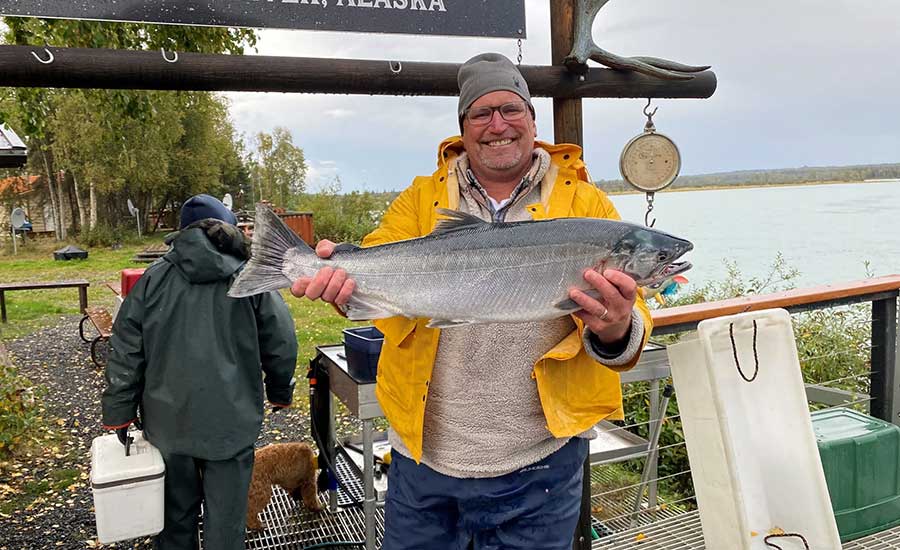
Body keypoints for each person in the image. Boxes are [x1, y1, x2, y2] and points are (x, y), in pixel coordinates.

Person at [292, 53, 653, 549]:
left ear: (532, 118)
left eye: (511, 110)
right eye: (481, 113)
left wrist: (614, 326)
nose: (497, 125)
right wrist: (339, 287)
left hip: (540, 463)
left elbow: (631, 329)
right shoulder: (421, 200)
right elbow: (371, 276)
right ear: (463, 127)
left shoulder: (587, 206)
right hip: (424, 461)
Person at [102, 194, 298, 550]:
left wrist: (119, 413)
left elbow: (125, 349)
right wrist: (280, 391)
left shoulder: (152, 280)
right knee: (226, 523)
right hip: (231, 425)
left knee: (174, 519)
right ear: (226, 228)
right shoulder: (248, 278)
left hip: (169, 427)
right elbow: (281, 340)